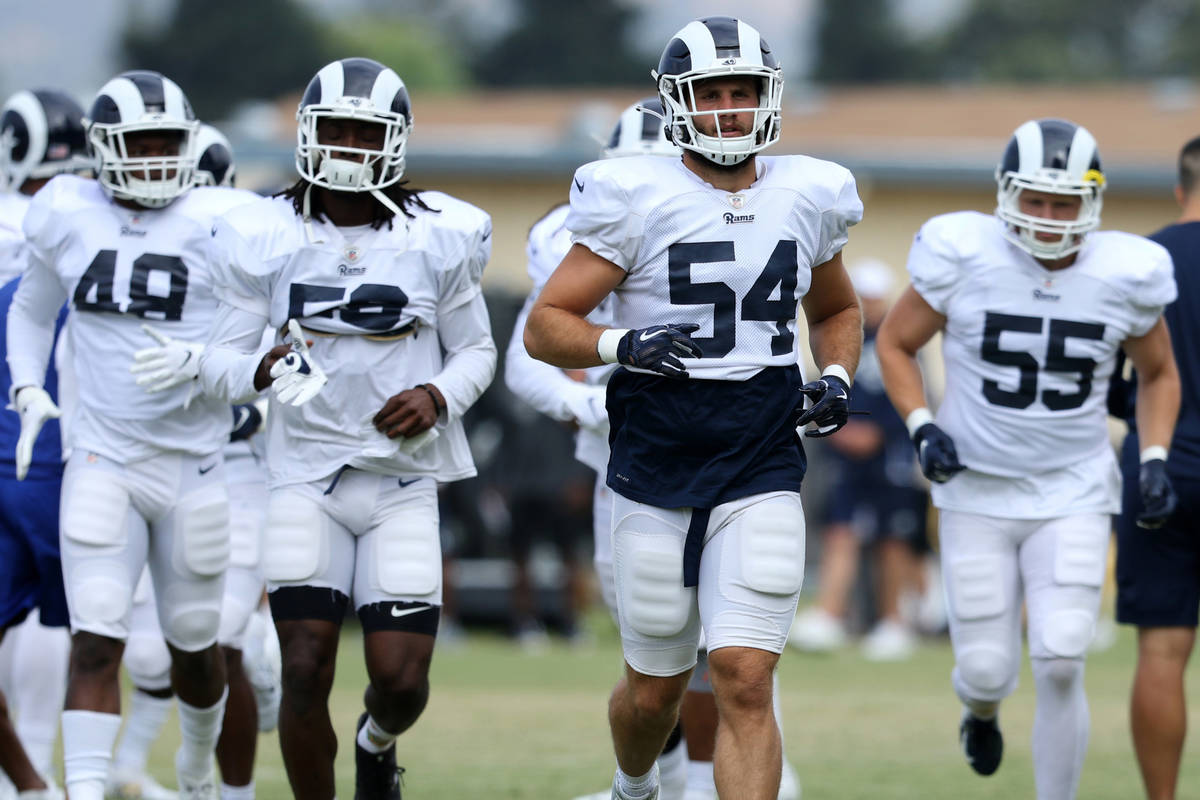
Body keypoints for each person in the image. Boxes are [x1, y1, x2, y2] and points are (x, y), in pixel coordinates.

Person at [524, 17, 863, 800]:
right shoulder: (634, 194)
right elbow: (547, 325)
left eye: (743, 93)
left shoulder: (809, 192)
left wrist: (837, 376)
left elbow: (838, 309)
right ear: (679, 102)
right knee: (655, 691)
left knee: (744, 676)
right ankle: (633, 787)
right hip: (655, 454)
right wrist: (621, 345)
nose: (730, 111)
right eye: (712, 93)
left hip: (762, 452)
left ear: (768, 100)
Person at [194, 57, 495, 800]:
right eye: (336, 130)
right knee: (302, 665)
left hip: (400, 480)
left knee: (400, 680)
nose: (350, 147)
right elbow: (217, 365)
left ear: (394, 140)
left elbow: (478, 351)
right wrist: (259, 371)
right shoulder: (262, 231)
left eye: (366, 131)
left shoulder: (440, 234)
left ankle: (375, 743)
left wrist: (437, 394)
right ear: (306, 133)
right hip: (302, 477)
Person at [875, 118, 1180, 800]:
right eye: (1036, 199)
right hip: (976, 487)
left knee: (1063, 653)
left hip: (1072, 485)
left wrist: (1152, 455)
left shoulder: (1125, 273)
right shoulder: (964, 253)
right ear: (1006, 194)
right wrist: (922, 425)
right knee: (985, 669)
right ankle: (979, 712)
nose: (1048, 217)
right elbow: (895, 343)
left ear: (1091, 202)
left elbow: (1159, 374)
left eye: (1064, 201)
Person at [6, 70, 261, 800]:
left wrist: (231, 371)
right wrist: (28, 388)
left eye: (165, 144)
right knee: (96, 640)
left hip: (195, 464)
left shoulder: (226, 217)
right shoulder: (67, 209)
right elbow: (30, 310)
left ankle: (195, 770)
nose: (153, 159)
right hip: (101, 457)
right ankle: (84, 791)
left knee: (195, 651)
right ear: (102, 148)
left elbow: (267, 327)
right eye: (138, 144)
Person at [111, 123, 279, 800]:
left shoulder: (259, 268)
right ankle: (126, 766)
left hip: (238, 476)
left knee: (225, 641)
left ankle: (225, 792)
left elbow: (294, 380)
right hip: (152, 471)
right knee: (153, 652)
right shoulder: (125, 269)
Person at [0, 86, 92, 800]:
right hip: (79, 447)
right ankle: (50, 777)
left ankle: (29, 781)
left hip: (17, 443)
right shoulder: (83, 222)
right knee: (94, 630)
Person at [1113, 134, 1200, 800]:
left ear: (1179, 188)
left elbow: (1111, 381)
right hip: (1159, 466)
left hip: (1157, 468)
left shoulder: (1139, 260)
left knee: (1163, 652)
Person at [789, 260, 929, 661]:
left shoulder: (900, 342)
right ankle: (831, 614)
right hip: (845, 457)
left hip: (893, 456)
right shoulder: (844, 340)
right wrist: (840, 432)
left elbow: (911, 394)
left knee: (894, 539)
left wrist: (880, 432)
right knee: (841, 530)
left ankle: (894, 621)